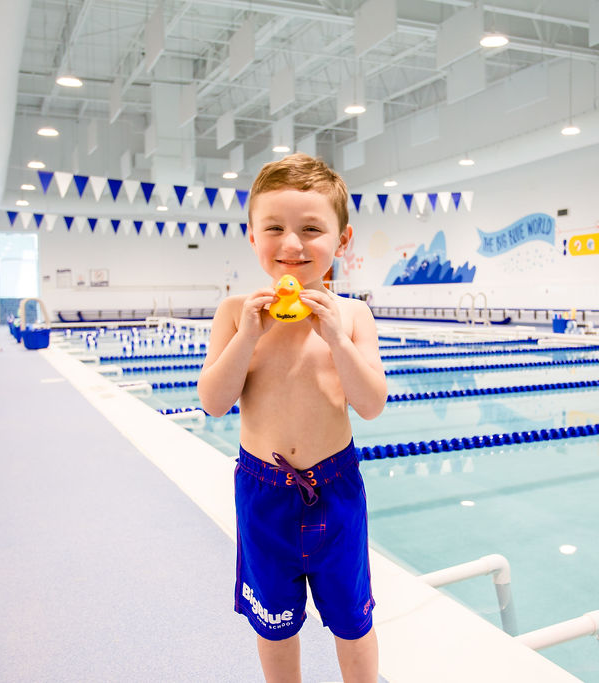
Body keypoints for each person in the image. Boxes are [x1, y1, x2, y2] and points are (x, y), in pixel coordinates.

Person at [197, 153, 387, 683]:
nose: (292, 244)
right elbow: (213, 401)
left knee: (353, 621)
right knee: (274, 624)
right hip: (264, 496)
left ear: (341, 240)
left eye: (311, 229)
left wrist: (336, 340)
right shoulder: (236, 313)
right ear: (252, 236)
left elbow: (371, 404)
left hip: (335, 489)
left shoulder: (353, 315)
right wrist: (248, 337)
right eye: (274, 228)